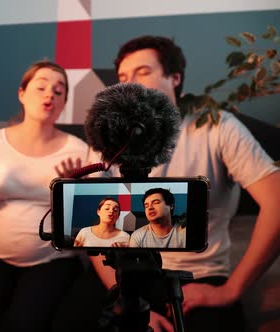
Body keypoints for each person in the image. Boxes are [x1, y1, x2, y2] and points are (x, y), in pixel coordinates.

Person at [60, 35, 280, 332]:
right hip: (123, 266)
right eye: (124, 77)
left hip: (197, 275)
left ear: (175, 78)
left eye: (143, 72)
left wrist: (230, 290)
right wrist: (125, 298)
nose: (130, 84)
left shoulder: (217, 127)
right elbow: (95, 229)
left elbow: (276, 201)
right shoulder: (108, 134)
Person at [0, 60, 102, 332]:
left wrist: (69, 195)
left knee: (25, 325)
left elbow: (90, 226)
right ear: (22, 93)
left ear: (64, 101)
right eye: (41, 87)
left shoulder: (79, 151)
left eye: (58, 91)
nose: (49, 95)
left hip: (53, 260)